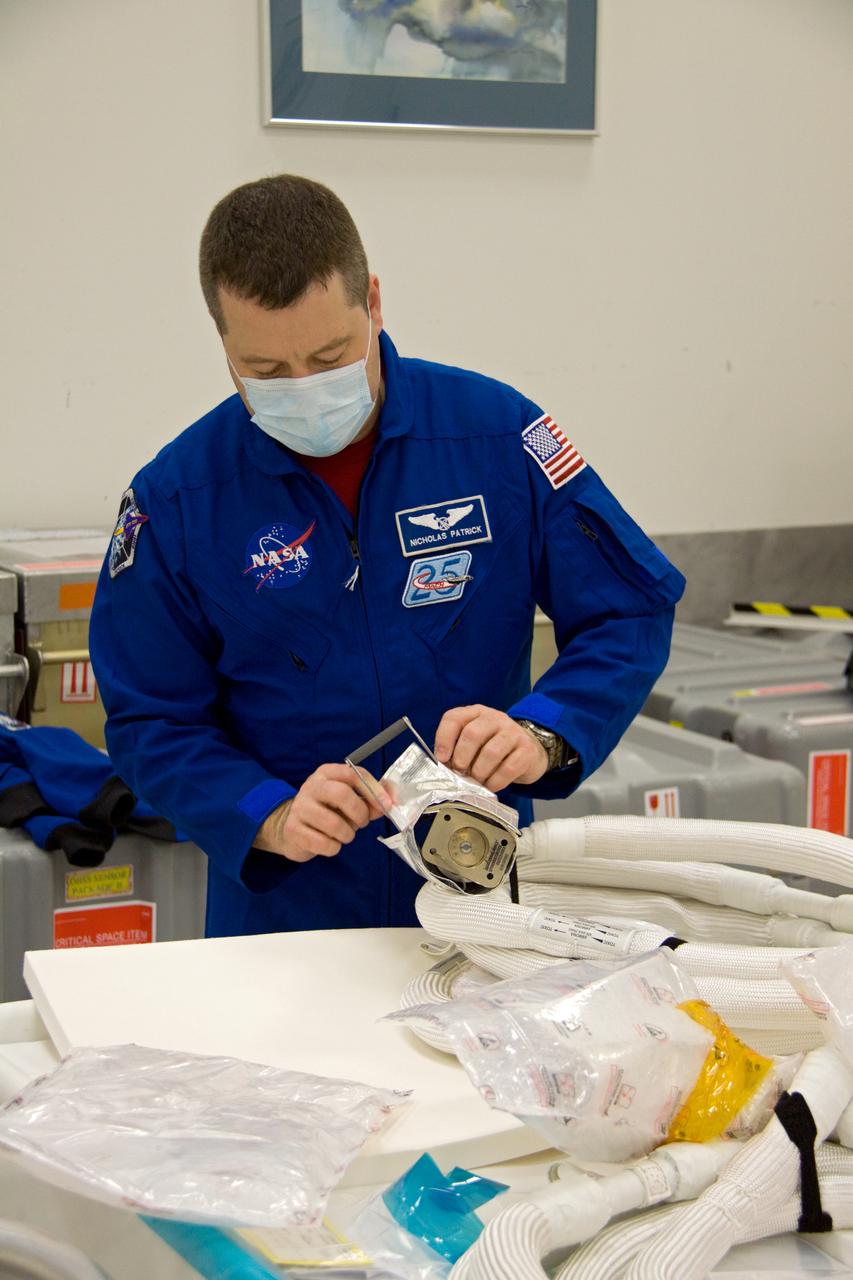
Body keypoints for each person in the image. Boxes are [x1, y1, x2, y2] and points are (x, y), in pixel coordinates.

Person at [89, 174, 685, 938]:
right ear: (222, 341)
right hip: (286, 915)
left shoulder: (496, 437)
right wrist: (263, 813)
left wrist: (540, 732)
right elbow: (150, 721)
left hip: (477, 888)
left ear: (372, 301)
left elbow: (627, 609)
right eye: (266, 372)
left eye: (330, 354)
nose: (302, 389)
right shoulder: (176, 498)